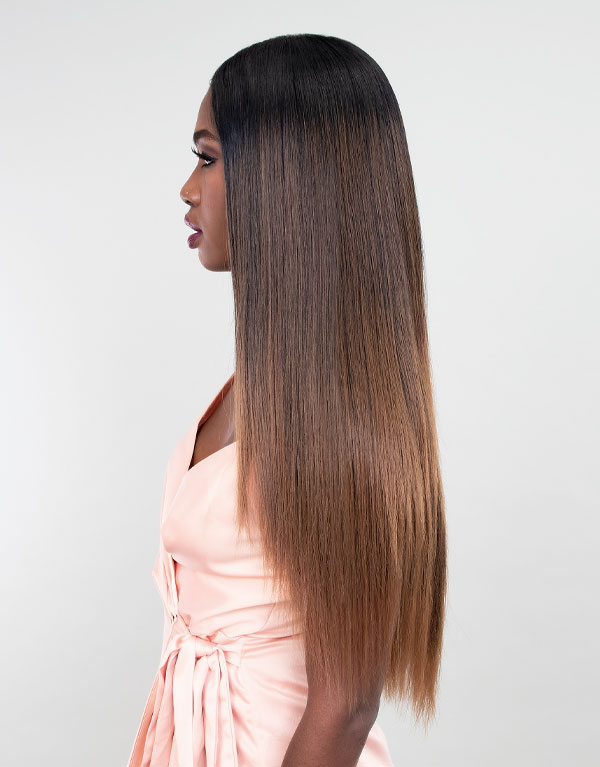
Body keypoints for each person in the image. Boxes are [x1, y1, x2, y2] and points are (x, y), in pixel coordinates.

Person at [128, 33, 447, 767]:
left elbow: (345, 708)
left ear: (284, 177)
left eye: (208, 157)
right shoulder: (269, 382)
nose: (187, 187)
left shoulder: (340, 416)